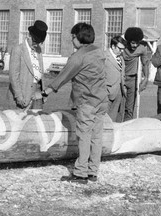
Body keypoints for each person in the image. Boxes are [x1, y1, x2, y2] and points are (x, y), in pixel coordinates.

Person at [35, 23, 108, 184]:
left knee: (84, 136)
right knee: (96, 137)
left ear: (79, 37)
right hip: (102, 100)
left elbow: (63, 76)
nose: (71, 40)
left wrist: (47, 91)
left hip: (87, 101)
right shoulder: (99, 52)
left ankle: (80, 173)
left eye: (73, 37)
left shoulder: (78, 57)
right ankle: (92, 171)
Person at [8, 20, 48, 110]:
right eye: (35, 41)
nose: (37, 44)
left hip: (38, 93)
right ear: (29, 36)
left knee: (37, 121)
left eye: (40, 42)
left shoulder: (39, 50)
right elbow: (14, 76)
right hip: (23, 94)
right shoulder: (18, 50)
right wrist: (19, 97)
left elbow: (41, 73)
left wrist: (43, 93)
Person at [122, 27, 150, 121]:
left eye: (137, 43)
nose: (135, 45)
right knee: (118, 106)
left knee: (129, 108)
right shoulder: (122, 47)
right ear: (128, 41)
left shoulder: (142, 49)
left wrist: (145, 79)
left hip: (133, 80)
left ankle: (127, 127)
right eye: (133, 43)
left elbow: (145, 63)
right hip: (120, 79)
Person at [104, 35, 127, 122]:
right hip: (106, 93)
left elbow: (122, 74)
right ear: (113, 46)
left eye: (123, 49)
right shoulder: (104, 56)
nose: (122, 51)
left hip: (119, 93)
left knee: (113, 121)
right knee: (103, 121)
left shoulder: (121, 58)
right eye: (120, 48)